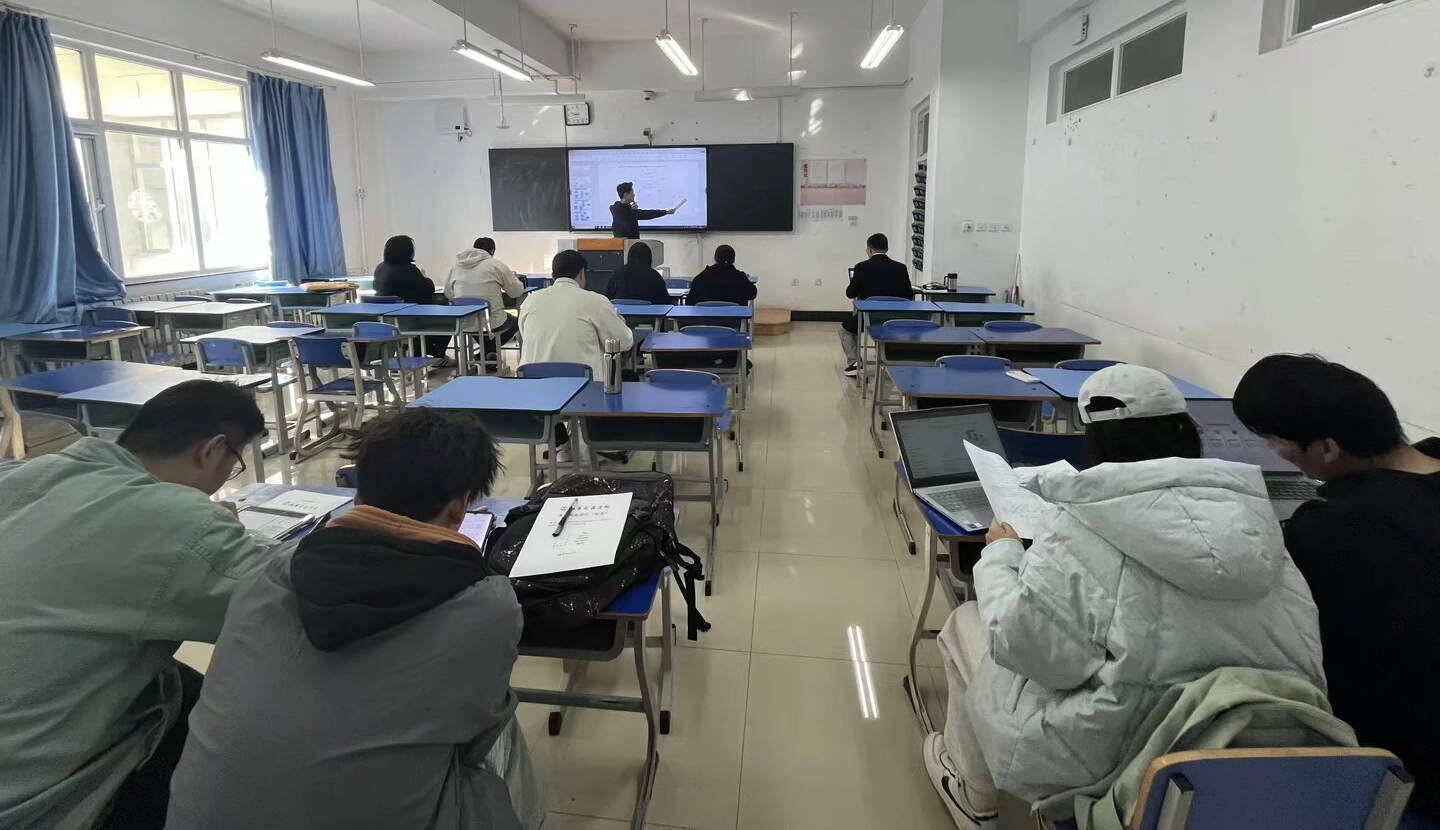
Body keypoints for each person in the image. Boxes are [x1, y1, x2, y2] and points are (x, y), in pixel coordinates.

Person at [925, 365, 1325, 830]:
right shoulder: (1260, 520)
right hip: (1271, 743)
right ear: (1186, 430)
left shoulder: (1079, 525)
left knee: (967, 622)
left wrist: (1001, 555)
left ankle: (973, 799)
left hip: (1132, 755)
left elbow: (1028, 650)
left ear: (1095, 442)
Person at [166, 408, 542, 830]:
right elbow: (474, 739)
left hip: (194, 816)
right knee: (502, 736)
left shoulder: (269, 569)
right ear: (458, 510)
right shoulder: (487, 605)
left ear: (360, 490)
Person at [0, 380, 273, 830]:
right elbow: (290, 598)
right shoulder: (180, 524)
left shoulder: (23, 474)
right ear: (213, 450)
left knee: (182, 682)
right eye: (234, 464)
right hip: (31, 805)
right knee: (257, 747)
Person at [1233, 354, 1440, 821]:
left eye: (1275, 440)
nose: (1271, 450)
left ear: (1327, 448)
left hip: (1398, 773)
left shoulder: (1335, 529)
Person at [520, 249, 636, 463]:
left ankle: (561, 445)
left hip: (536, 396)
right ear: (581, 274)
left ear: (553, 274)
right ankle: (602, 442)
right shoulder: (594, 301)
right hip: (583, 395)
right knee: (627, 377)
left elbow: (525, 334)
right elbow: (624, 341)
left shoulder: (530, 301)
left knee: (548, 374)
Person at [842, 232, 913, 377]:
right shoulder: (901, 268)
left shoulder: (861, 267)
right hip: (897, 318)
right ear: (886, 248)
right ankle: (888, 358)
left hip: (870, 318)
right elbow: (908, 295)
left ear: (870, 249)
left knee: (846, 329)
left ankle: (855, 363)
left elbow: (850, 293)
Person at [374, 234, 451, 362]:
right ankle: (436, 354)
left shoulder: (380, 268)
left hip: (386, 319)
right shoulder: (409, 270)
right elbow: (427, 290)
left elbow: (376, 287)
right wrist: (426, 279)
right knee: (448, 318)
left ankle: (414, 350)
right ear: (408, 251)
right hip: (410, 320)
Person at [446, 236, 526, 356]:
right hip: (491, 322)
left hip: (464, 322)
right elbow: (516, 292)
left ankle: (486, 355)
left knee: (479, 328)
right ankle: (487, 352)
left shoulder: (456, 267)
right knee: (519, 321)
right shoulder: (495, 265)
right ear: (492, 251)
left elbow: (448, 293)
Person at [688, 244, 758, 306]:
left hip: (705, 317)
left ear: (715, 258)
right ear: (733, 260)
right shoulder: (740, 277)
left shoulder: (701, 277)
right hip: (733, 316)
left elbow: (689, 302)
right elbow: (752, 294)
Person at [605, 240, 670, 305]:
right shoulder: (655, 276)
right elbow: (665, 303)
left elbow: (607, 299)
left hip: (620, 311)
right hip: (646, 311)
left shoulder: (616, 274)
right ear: (649, 258)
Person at [609, 181, 676, 240]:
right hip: (626, 245)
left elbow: (646, 214)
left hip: (631, 244)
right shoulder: (620, 210)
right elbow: (645, 214)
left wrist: (665, 212)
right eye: (632, 192)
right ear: (626, 195)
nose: (634, 195)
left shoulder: (623, 209)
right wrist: (633, 211)